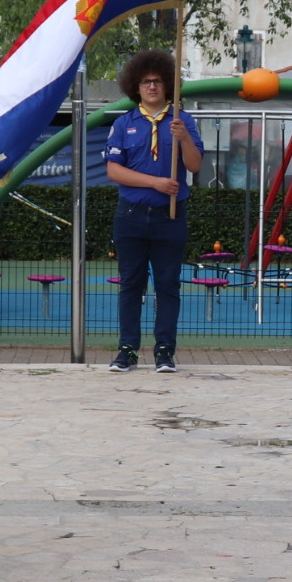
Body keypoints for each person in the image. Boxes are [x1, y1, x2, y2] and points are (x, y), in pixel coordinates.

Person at [101, 48, 201, 373]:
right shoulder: (123, 123)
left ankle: (164, 351)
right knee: (131, 283)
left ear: (167, 84)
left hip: (169, 217)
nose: (152, 87)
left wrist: (184, 138)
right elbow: (114, 171)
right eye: (146, 82)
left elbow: (195, 164)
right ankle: (127, 349)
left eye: (158, 81)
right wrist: (154, 183)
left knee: (168, 284)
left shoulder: (182, 120)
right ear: (136, 86)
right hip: (130, 216)